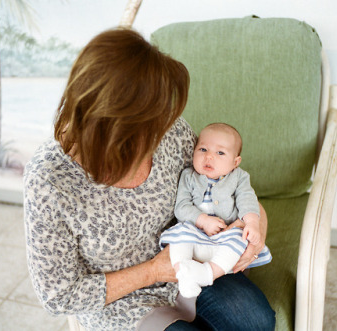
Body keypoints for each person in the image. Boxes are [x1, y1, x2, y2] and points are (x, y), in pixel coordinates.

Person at [23, 28, 275, 331]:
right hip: (121, 303)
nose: (164, 128)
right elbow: (59, 296)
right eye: (150, 125)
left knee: (256, 322)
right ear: (117, 127)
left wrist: (255, 224)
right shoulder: (49, 181)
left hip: (194, 257)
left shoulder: (167, 129)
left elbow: (225, 184)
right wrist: (153, 271)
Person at [160, 123, 272, 298]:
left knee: (239, 237)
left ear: (235, 162)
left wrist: (252, 223)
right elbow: (181, 207)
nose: (209, 157)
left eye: (220, 153)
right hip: (194, 233)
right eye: (203, 149)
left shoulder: (239, 177)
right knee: (178, 235)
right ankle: (183, 274)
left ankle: (207, 274)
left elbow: (247, 200)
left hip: (224, 235)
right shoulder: (188, 176)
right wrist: (202, 220)